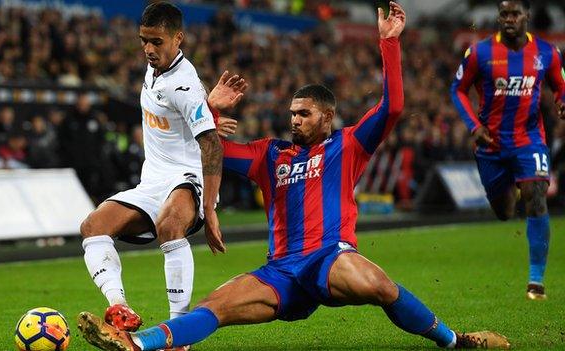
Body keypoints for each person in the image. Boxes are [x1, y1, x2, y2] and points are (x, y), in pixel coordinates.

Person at [77, 3, 510, 350]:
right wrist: (210, 109)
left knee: (377, 283)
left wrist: (389, 45)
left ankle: (454, 341)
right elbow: (206, 146)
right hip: (280, 273)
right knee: (213, 306)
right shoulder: (272, 155)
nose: (295, 120)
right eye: (291, 114)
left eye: (303, 114)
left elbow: (393, 107)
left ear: (327, 116)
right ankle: (137, 342)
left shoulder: (349, 145)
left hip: (329, 259)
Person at [78, 1, 244, 344]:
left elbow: (211, 145)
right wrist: (209, 107)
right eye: (144, 41)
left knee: (170, 225)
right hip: (152, 181)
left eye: (157, 42)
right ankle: (120, 309)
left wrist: (209, 210)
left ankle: (178, 333)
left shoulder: (183, 83)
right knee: (93, 226)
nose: (149, 49)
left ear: (178, 39)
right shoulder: (155, 67)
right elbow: (178, 114)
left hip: (187, 179)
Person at [450, 0, 565, 300]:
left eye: (514, 14)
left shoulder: (547, 52)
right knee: (503, 212)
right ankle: (510, 190)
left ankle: (536, 281)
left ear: (526, 15)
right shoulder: (480, 53)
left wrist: (562, 101)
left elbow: (560, 85)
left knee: (536, 195)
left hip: (529, 139)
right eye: (503, 15)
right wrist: (474, 126)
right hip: (491, 144)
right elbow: (457, 90)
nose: (508, 19)